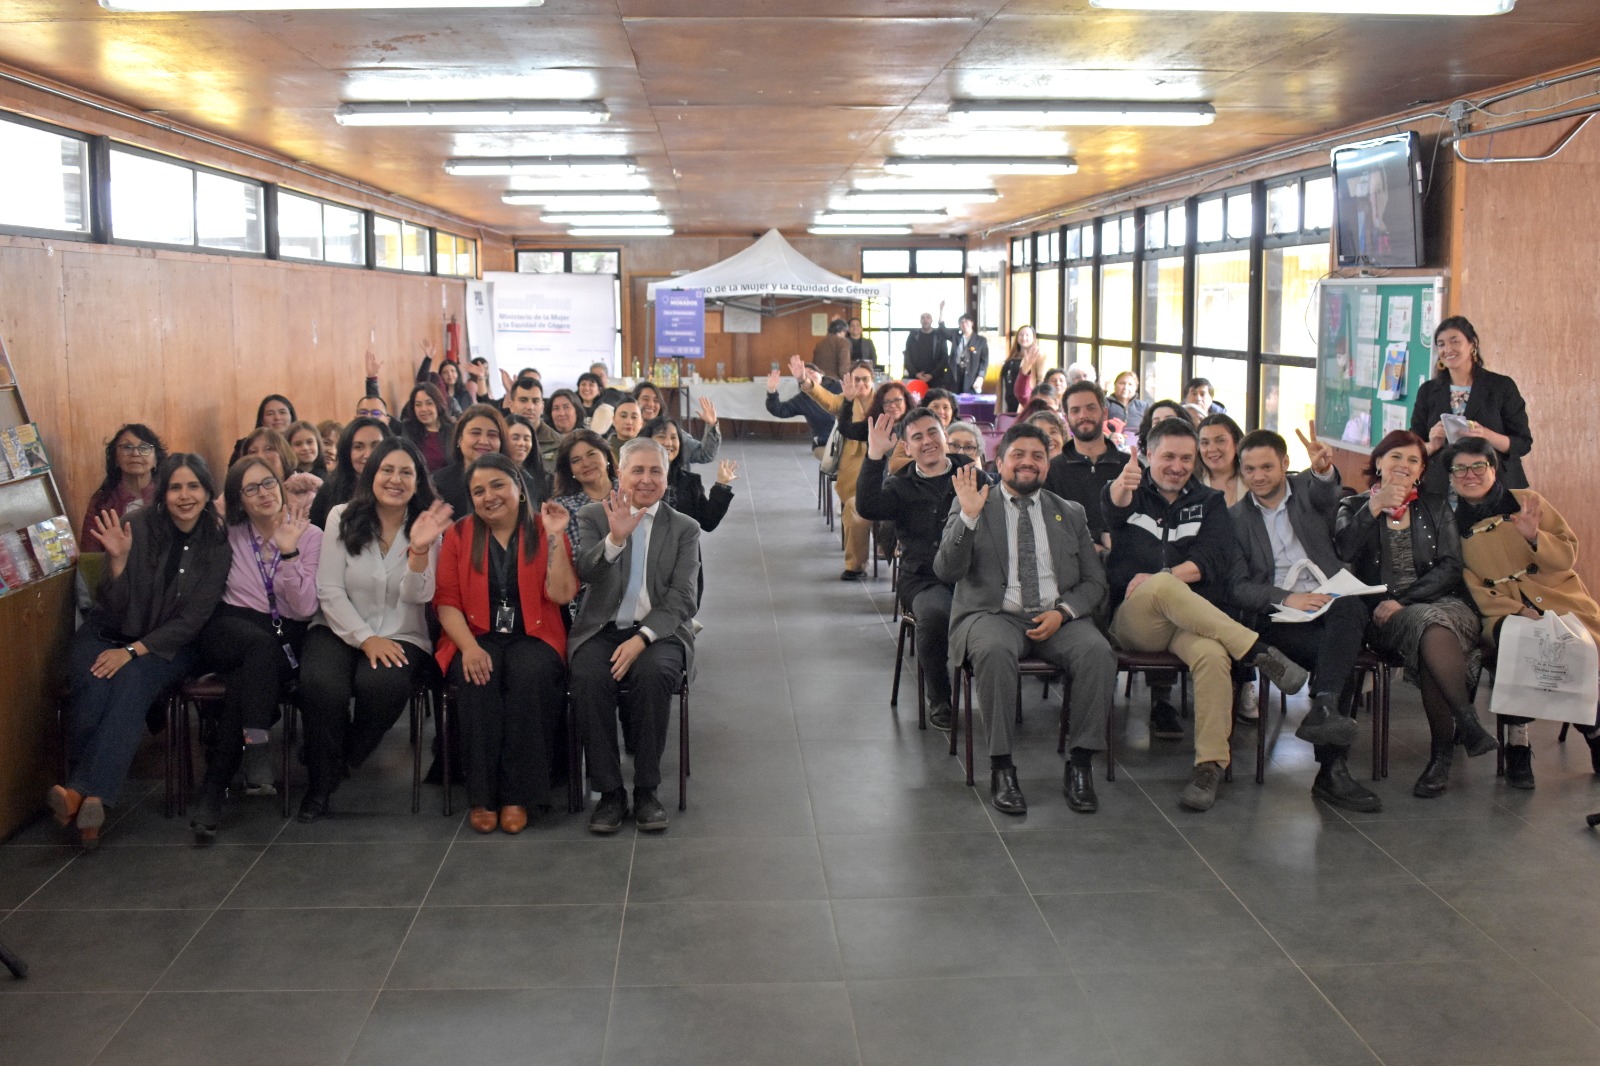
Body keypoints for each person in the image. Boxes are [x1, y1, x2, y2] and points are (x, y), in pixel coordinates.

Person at [1104, 416, 1309, 812]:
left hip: (1188, 621)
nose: (1177, 466)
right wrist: (1120, 486)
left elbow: (1212, 559)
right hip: (1136, 622)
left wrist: (1164, 578)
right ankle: (1254, 650)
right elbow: (1113, 511)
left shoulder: (1209, 501)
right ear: (1148, 456)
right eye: (1167, 457)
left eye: (1185, 457)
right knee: (1161, 587)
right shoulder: (1130, 493)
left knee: (1213, 655)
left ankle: (1209, 765)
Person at [934, 423, 1116, 815]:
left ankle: (1080, 764)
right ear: (999, 463)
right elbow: (946, 571)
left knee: (1098, 653)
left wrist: (1064, 612)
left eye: (1037, 456)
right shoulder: (975, 504)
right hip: (994, 614)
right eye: (1018, 455)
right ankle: (1002, 767)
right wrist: (967, 518)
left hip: (1057, 616)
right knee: (995, 652)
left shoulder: (1070, 512)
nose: (1028, 463)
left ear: (1047, 466)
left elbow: (1094, 581)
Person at [51, 454, 230, 845]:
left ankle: (81, 794)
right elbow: (112, 606)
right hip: (108, 631)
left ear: (206, 491)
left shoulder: (217, 542)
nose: (185, 496)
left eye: (193, 487)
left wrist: (133, 652)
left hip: (168, 646)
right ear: (162, 494)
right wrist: (117, 564)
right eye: (175, 487)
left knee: (130, 685)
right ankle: (91, 807)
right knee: (91, 694)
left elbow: (192, 621)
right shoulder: (135, 526)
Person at [297, 438, 453, 822]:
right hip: (336, 627)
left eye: (406, 472)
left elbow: (421, 596)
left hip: (402, 633)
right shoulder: (341, 515)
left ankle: (341, 761)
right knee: (320, 685)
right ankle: (319, 786)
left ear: (418, 481)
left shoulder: (428, 527)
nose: (395, 480)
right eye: (388, 470)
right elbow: (329, 589)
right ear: (372, 474)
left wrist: (419, 550)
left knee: (381, 685)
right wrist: (365, 639)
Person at [1228, 428, 1381, 812]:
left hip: (1328, 604)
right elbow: (1239, 588)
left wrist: (1324, 470)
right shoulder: (1234, 519)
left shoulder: (1307, 495)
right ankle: (1332, 769)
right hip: (1277, 617)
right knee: (1339, 661)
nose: (1258, 476)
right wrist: (1287, 597)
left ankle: (1324, 705)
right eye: (1249, 469)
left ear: (1284, 464)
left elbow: (1326, 493)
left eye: (1266, 466)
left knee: (1349, 608)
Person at [1335, 430, 1493, 800]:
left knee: (1433, 626)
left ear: (1422, 469)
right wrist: (1372, 509)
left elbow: (1451, 566)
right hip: (1384, 614)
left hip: (1442, 604)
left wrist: (1405, 598)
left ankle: (1446, 752)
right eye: (1395, 458)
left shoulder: (1437, 506)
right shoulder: (1353, 505)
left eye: (1412, 460)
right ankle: (1460, 730)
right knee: (1429, 631)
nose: (1403, 466)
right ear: (1378, 462)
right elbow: (1342, 552)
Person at [1446, 437, 1600, 787]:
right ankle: (1518, 743)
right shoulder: (1450, 523)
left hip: (1559, 599)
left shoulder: (1528, 502)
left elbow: (1566, 556)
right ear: (1451, 477)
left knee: (1571, 643)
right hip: (1502, 611)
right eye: (1460, 469)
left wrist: (1535, 539)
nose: (1469, 475)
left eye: (1478, 466)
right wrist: (1514, 609)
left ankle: (1592, 728)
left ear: (1493, 468)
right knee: (1517, 642)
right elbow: (1469, 583)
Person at [434, 454, 576, 833]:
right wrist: (468, 647)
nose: (488, 496)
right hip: (475, 635)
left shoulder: (543, 529)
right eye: (478, 491)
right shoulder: (459, 535)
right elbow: (446, 602)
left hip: (536, 633)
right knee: (477, 679)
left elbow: (562, 594)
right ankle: (483, 795)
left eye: (498, 485)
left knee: (530, 676)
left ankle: (519, 795)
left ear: (519, 487)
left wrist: (557, 537)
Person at [571, 438, 700, 833]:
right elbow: (585, 572)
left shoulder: (684, 528)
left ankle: (646, 788)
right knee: (589, 677)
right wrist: (615, 540)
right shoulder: (595, 515)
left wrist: (643, 637)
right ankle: (610, 793)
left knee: (653, 675)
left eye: (655, 471)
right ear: (620, 475)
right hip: (601, 627)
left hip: (659, 632)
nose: (646, 479)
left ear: (665, 476)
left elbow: (683, 598)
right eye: (637, 471)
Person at [190, 457, 322, 842]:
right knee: (256, 649)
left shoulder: (310, 534)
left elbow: (304, 608)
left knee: (246, 681)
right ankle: (257, 738)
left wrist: (289, 553)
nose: (263, 493)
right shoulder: (227, 532)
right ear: (238, 500)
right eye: (251, 489)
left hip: (281, 632)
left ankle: (213, 793)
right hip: (229, 626)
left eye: (268, 483)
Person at [856, 406, 972, 730]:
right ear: (907, 447)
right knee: (935, 614)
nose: (927, 441)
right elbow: (866, 507)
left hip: (971, 573)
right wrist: (876, 455)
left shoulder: (971, 474)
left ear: (945, 436)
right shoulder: (899, 485)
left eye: (933, 432)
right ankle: (939, 697)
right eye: (917, 437)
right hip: (923, 578)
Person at [1411, 315, 1532, 495]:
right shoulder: (1428, 390)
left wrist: (1486, 435)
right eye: (1441, 344)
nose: (1447, 349)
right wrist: (1432, 445)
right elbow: (1413, 447)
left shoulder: (1501, 386)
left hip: (1494, 488)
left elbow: (1522, 443)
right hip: (1442, 490)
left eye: (1455, 341)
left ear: (1472, 344)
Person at [800, 360, 877, 580]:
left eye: (865, 379)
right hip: (852, 463)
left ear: (873, 381)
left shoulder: (882, 401)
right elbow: (825, 399)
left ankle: (884, 548)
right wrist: (805, 381)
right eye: (856, 379)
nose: (861, 384)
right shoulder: (845, 400)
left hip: (880, 461)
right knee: (852, 509)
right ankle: (856, 564)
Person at [1045, 381, 1125, 556]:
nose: (1084, 415)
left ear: (1104, 413)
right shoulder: (1053, 470)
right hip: (1073, 562)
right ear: (1066, 418)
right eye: (1075, 410)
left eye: (1090, 408)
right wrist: (1097, 542)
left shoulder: (1128, 466)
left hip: (1125, 560)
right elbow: (1052, 525)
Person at [431, 404, 530, 518]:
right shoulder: (439, 484)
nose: (484, 441)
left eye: (492, 435)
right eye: (475, 433)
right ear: (459, 438)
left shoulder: (519, 479)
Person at [644, 416, 736, 534]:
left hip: (683, 550)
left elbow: (708, 522)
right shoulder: (636, 479)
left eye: (674, 438)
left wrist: (721, 484)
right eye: (661, 437)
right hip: (646, 549)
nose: (668, 443)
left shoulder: (690, 481)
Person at [81, 424, 165, 552]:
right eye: (127, 447)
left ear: (155, 460)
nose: (135, 453)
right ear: (115, 458)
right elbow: (90, 556)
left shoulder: (167, 498)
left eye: (144, 448)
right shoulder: (101, 502)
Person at [309, 416, 391, 529]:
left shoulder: (396, 486)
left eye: (375, 446)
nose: (368, 454)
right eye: (358, 447)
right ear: (347, 452)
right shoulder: (331, 488)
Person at [552, 429, 618, 554]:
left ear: (605, 455)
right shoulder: (563, 506)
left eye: (591, 454)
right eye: (576, 460)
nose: (586, 463)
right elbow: (577, 556)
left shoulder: (630, 490)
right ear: (569, 470)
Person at [771, 357, 841, 458]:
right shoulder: (803, 399)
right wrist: (771, 390)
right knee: (836, 458)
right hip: (824, 443)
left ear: (821, 373)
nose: (810, 376)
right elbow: (780, 410)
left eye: (812, 372)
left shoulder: (839, 386)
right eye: (806, 376)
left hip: (849, 441)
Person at [507, 375, 563, 468]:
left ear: (542, 406)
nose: (530, 407)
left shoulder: (560, 444)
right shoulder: (499, 439)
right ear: (511, 405)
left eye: (535, 401)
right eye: (523, 400)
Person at [399, 382, 455, 474]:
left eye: (429, 403)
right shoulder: (408, 429)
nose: (423, 409)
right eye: (418, 404)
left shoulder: (453, 430)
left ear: (438, 404)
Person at [229, 394, 296, 463]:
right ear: (261, 420)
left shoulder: (300, 444)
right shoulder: (244, 446)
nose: (277, 418)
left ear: (291, 416)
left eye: (282, 412)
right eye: (270, 414)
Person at [1197, 413, 1246, 506]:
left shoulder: (1252, 480)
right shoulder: (1191, 484)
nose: (1212, 449)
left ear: (1236, 444)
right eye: (1205, 443)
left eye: (1220, 441)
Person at [904, 302, 954, 389]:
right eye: (923, 318)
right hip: (916, 378)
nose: (925, 320)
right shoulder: (913, 336)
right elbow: (907, 356)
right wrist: (916, 374)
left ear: (931, 320)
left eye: (928, 317)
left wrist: (932, 375)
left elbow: (944, 358)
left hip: (936, 379)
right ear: (920, 321)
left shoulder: (939, 336)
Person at [503, 414, 552, 497]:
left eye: (526, 439)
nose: (521, 443)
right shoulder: (494, 474)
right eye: (515, 438)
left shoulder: (546, 479)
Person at [949, 312, 989, 394]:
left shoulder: (981, 340)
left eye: (966, 321)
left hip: (972, 375)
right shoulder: (956, 337)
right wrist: (941, 311)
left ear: (972, 323)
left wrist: (980, 376)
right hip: (956, 374)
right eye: (961, 322)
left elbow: (984, 361)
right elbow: (942, 330)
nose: (964, 324)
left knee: (970, 402)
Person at [1011, 326, 1046, 407]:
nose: (1024, 337)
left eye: (1027, 335)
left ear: (1033, 338)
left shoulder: (1039, 355)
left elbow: (1041, 380)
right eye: (1021, 335)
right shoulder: (1014, 354)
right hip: (1010, 398)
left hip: (1026, 400)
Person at [1107, 371, 1146, 435]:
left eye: (1130, 384)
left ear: (1136, 388)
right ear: (1114, 385)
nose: (1125, 387)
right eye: (1122, 383)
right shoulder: (1105, 404)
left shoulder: (1143, 406)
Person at [607, 398, 645, 463]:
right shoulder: (604, 450)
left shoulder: (648, 451)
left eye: (634, 417)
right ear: (613, 420)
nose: (629, 422)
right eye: (623, 416)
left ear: (641, 423)